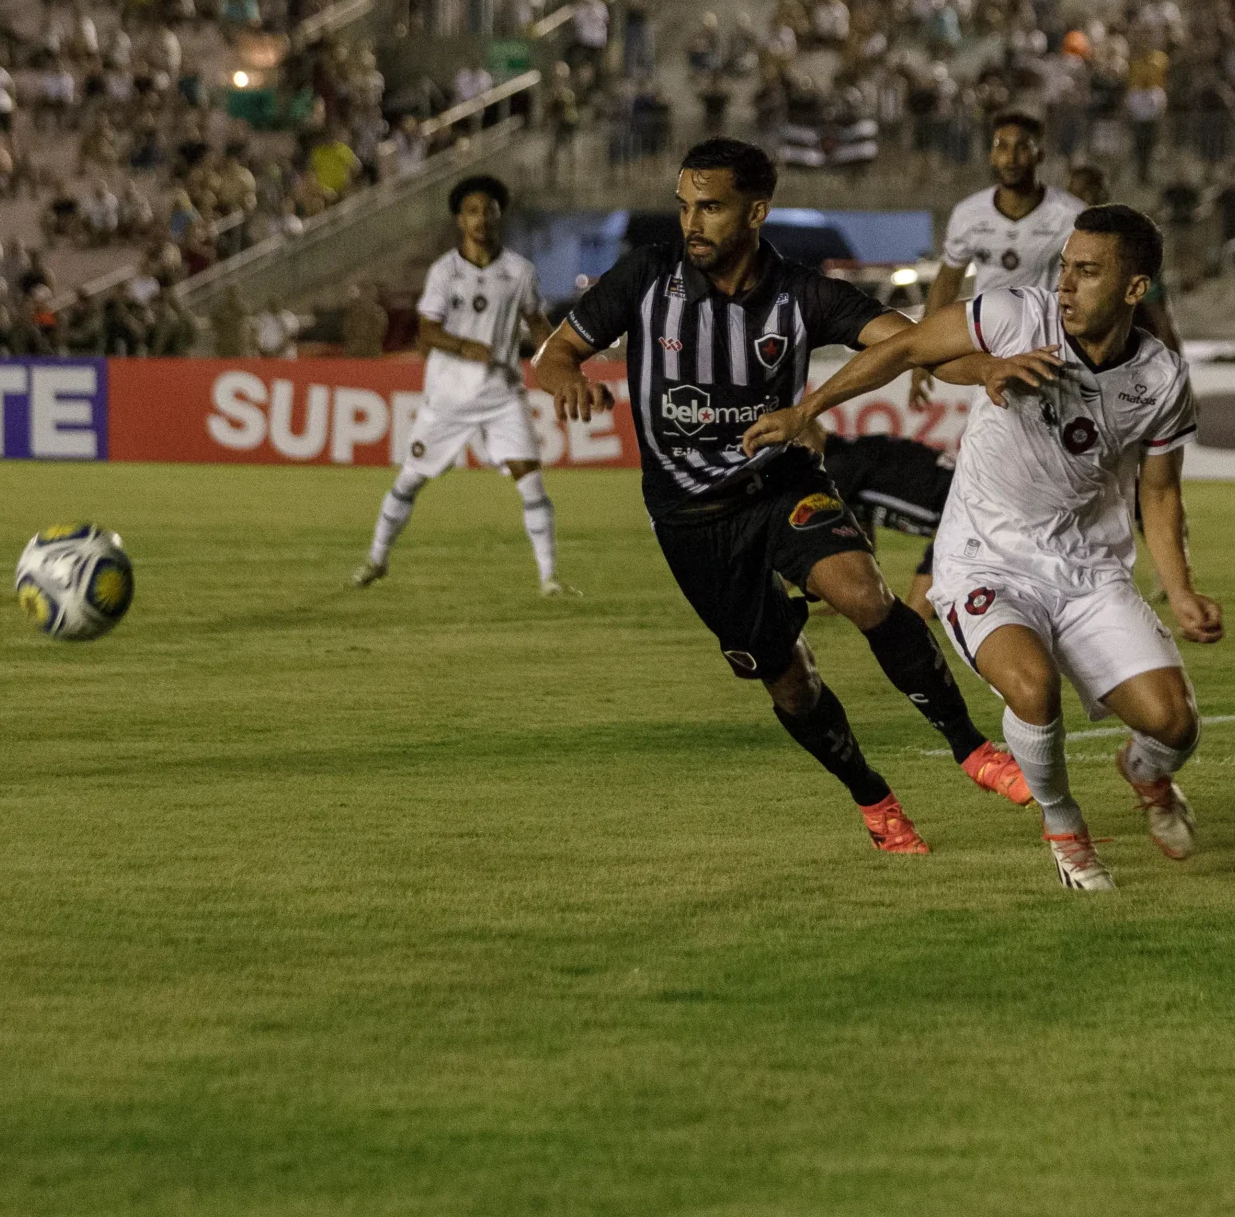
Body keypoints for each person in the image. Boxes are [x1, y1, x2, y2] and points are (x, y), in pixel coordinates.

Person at [531, 139, 1030, 856]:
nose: (691, 223)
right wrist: (568, 379)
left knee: (863, 594)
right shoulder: (645, 276)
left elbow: (912, 343)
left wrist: (987, 367)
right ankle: (873, 797)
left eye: (710, 207)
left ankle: (972, 749)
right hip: (690, 524)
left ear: (756, 212)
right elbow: (553, 356)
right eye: (684, 207)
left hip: (780, 485)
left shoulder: (803, 294)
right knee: (790, 683)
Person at [744, 205, 1217, 892]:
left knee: (1175, 725)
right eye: (1066, 268)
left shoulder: (1161, 380)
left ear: (1135, 288)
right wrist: (806, 411)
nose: (1067, 286)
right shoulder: (1014, 315)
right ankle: (1065, 830)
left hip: (1087, 570)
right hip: (985, 557)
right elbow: (907, 347)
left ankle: (1145, 776)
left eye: (1089, 273)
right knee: (1032, 687)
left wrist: (1181, 592)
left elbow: (1161, 495)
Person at [353, 176, 570, 596]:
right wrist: (463, 345)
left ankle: (549, 578)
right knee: (409, 481)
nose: (481, 219)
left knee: (530, 480)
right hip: (448, 397)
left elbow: (538, 322)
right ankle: (377, 559)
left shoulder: (519, 271)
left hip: (502, 394)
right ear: (459, 219)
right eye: (472, 211)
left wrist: (559, 360)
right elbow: (426, 333)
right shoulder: (443, 272)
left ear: (498, 215)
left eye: (488, 210)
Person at [909, 112, 1086, 405]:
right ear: (991, 155)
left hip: (1052, 349)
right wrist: (920, 357)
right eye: (1001, 146)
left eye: (1021, 147)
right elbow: (946, 283)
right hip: (988, 352)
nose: (1011, 158)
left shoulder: (1071, 215)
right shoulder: (968, 214)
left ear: (1039, 154)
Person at [821, 429, 956, 617]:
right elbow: (858, 535)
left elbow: (810, 548)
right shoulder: (852, 457)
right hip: (962, 489)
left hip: (963, 505)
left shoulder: (836, 469)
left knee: (916, 618)